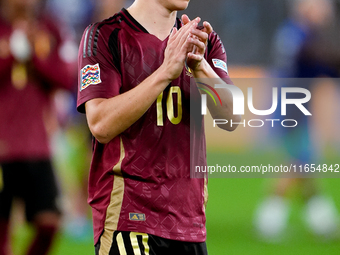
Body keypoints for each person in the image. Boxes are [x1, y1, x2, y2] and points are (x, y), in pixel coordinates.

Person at [77, 0, 240, 254]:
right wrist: (166, 71)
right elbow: (100, 123)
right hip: (129, 221)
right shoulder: (105, 35)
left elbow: (232, 118)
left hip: (189, 224)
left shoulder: (203, 41)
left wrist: (200, 66)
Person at [254, 0, 339, 241]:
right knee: (298, 164)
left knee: (304, 166)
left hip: (292, 107)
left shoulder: (292, 33)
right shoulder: (302, 36)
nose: (326, 13)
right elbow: (321, 62)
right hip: (293, 110)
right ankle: (268, 222)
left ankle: (322, 223)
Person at [0, 0, 75, 254]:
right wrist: (13, 51)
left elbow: (66, 78)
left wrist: (33, 54)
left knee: (50, 223)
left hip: (37, 144)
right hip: (2, 145)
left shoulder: (49, 29)